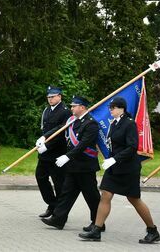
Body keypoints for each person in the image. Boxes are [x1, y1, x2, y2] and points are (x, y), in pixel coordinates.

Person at [79, 96, 160, 243]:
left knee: (134, 199)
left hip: (128, 168)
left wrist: (114, 159)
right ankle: (97, 230)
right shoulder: (114, 123)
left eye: (112, 108)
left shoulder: (129, 124)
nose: (110, 110)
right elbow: (113, 145)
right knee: (105, 195)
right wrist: (110, 160)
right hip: (114, 168)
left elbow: (132, 147)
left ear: (121, 108)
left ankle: (152, 230)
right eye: (110, 108)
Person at [41, 95, 100, 231]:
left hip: (85, 167)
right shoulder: (73, 120)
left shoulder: (91, 123)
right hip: (73, 166)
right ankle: (58, 219)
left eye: (74, 106)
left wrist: (67, 157)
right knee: (66, 193)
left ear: (82, 107)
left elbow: (83, 145)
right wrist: (45, 137)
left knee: (91, 196)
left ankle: (98, 223)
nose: (71, 108)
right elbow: (59, 129)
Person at [34, 86, 71, 218]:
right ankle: (52, 203)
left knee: (59, 182)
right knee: (40, 177)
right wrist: (42, 143)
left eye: (53, 96)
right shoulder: (46, 110)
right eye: (48, 97)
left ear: (59, 96)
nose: (50, 99)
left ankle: (59, 212)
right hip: (44, 154)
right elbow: (45, 131)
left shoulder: (65, 112)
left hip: (57, 153)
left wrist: (47, 145)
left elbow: (62, 133)